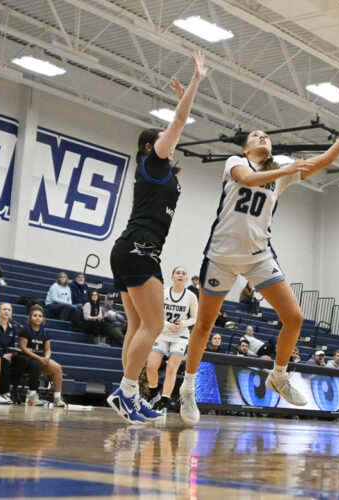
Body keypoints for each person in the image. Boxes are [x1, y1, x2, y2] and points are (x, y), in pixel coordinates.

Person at [178, 105, 339, 427]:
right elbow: (248, 179)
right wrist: (287, 170)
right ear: (245, 147)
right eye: (255, 135)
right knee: (203, 325)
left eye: (266, 135)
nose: (262, 136)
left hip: (259, 256)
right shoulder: (236, 162)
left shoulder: (281, 173)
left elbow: (325, 159)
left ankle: (279, 376)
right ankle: (188, 389)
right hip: (221, 256)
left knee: (294, 318)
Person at [107, 51, 206, 425]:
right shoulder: (153, 162)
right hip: (139, 248)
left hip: (128, 247)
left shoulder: (157, 171)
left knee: (137, 327)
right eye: (163, 139)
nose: (171, 141)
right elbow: (179, 121)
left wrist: (181, 100)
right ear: (151, 146)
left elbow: (176, 125)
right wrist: (194, 83)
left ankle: (131, 395)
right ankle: (126, 391)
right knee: (153, 326)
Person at [144, 266, 198, 413]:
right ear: (172, 276)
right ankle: (153, 392)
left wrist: (183, 324)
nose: (180, 275)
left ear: (186, 279)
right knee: (151, 366)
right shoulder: (164, 292)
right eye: (177, 273)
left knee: (171, 368)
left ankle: (164, 400)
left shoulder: (191, 296)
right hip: (162, 332)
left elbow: (194, 318)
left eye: (183, 273)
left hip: (180, 335)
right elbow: (155, 313)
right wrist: (167, 324)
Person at [16, 305, 66, 407]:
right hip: (26, 359)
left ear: (42, 319)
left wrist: (46, 357)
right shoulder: (25, 330)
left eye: (40, 316)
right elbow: (23, 348)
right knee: (36, 364)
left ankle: (57, 398)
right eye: (35, 316)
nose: (37, 318)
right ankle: (32, 396)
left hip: (40, 359)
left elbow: (48, 349)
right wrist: (39, 358)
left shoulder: (45, 332)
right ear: (30, 318)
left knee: (57, 368)